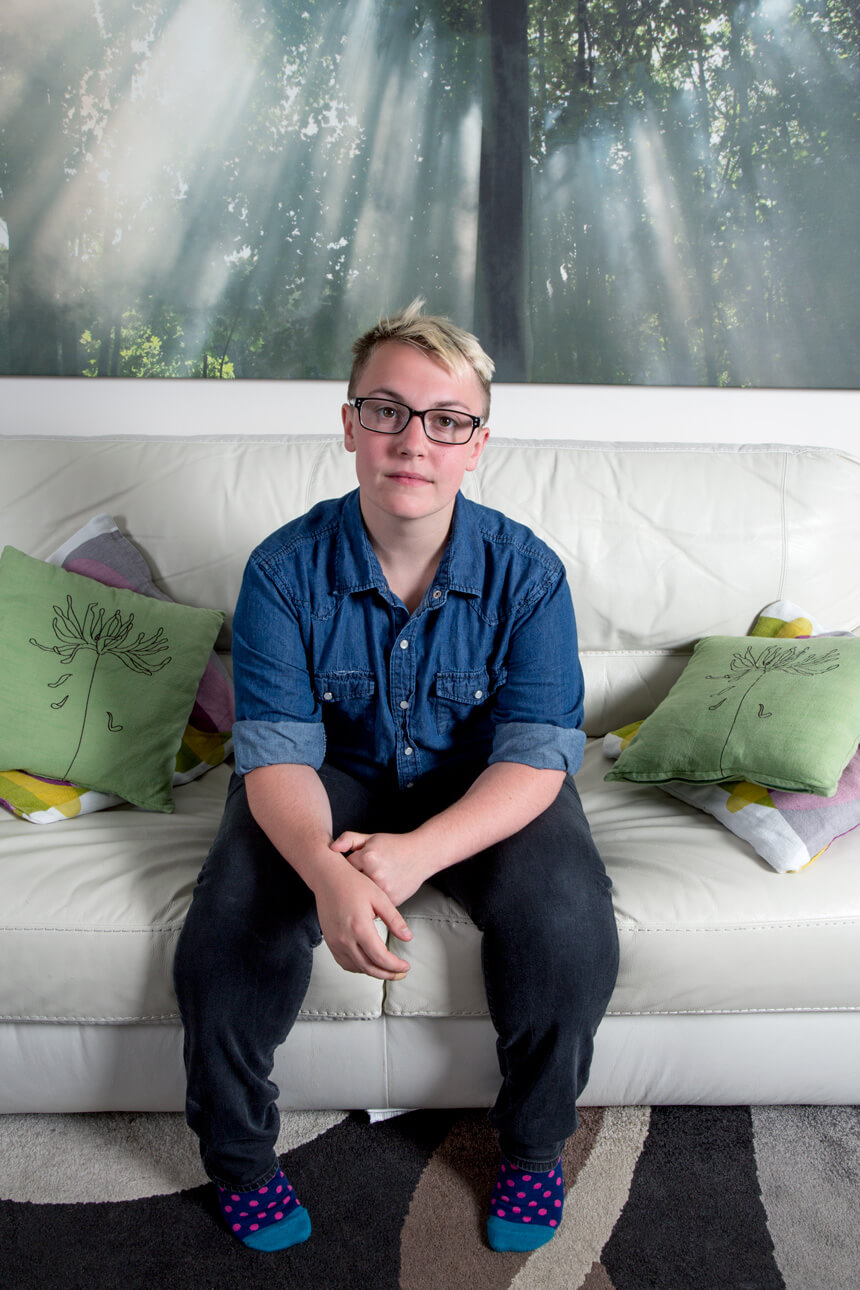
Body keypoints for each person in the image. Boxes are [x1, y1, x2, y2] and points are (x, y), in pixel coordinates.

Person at [173, 301, 619, 1254]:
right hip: (327, 778)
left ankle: (534, 1151)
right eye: (387, 411)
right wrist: (333, 877)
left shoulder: (529, 574)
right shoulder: (283, 571)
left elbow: (539, 753)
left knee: (570, 923)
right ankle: (241, 1160)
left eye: (445, 420)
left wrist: (416, 854)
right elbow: (278, 755)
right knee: (230, 921)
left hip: (484, 784)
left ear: (476, 445)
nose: (414, 441)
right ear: (350, 426)